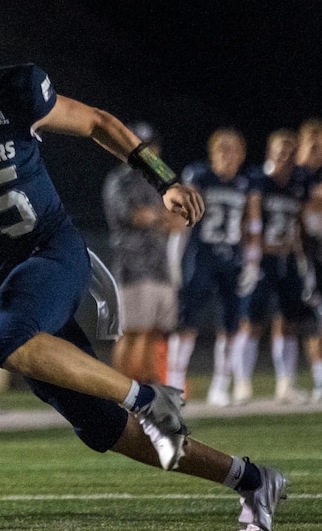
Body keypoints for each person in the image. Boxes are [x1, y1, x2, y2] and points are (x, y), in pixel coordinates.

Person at [0, 0, 286, 531]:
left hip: (52, 251)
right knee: (102, 428)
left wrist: (166, 180)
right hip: (1, 278)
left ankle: (145, 397)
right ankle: (252, 480)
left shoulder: (16, 90)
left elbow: (98, 122)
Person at [167, 128, 262, 406]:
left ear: (242, 154)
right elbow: (182, 219)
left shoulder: (247, 183)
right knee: (187, 322)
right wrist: (174, 256)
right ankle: (174, 385)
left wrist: (253, 261)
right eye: (222, 149)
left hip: (231, 258)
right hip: (201, 256)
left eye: (233, 149)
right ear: (212, 153)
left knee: (230, 325)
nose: (227, 155)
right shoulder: (200, 176)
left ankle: (221, 385)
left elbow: (252, 224)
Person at [230, 129, 310, 405]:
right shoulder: (258, 181)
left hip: (286, 259)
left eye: (289, 152)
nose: (285, 158)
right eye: (280, 152)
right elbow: (251, 217)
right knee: (251, 322)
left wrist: (301, 256)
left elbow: (299, 223)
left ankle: (285, 384)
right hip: (262, 259)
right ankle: (241, 383)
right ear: (270, 154)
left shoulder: (298, 184)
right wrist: (252, 254)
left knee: (287, 323)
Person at [102, 122, 181, 383]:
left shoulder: (161, 178)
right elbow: (137, 215)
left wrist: (164, 218)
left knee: (153, 331)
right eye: (141, 145)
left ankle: (148, 384)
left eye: (151, 146)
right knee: (131, 331)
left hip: (160, 265)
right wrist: (163, 217)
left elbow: (178, 220)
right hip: (133, 265)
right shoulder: (120, 179)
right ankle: (120, 388)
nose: (148, 151)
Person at [295, 118, 322, 402]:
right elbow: (305, 207)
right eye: (312, 145)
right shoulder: (298, 176)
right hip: (306, 252)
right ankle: (318, 381)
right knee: (314, 320)